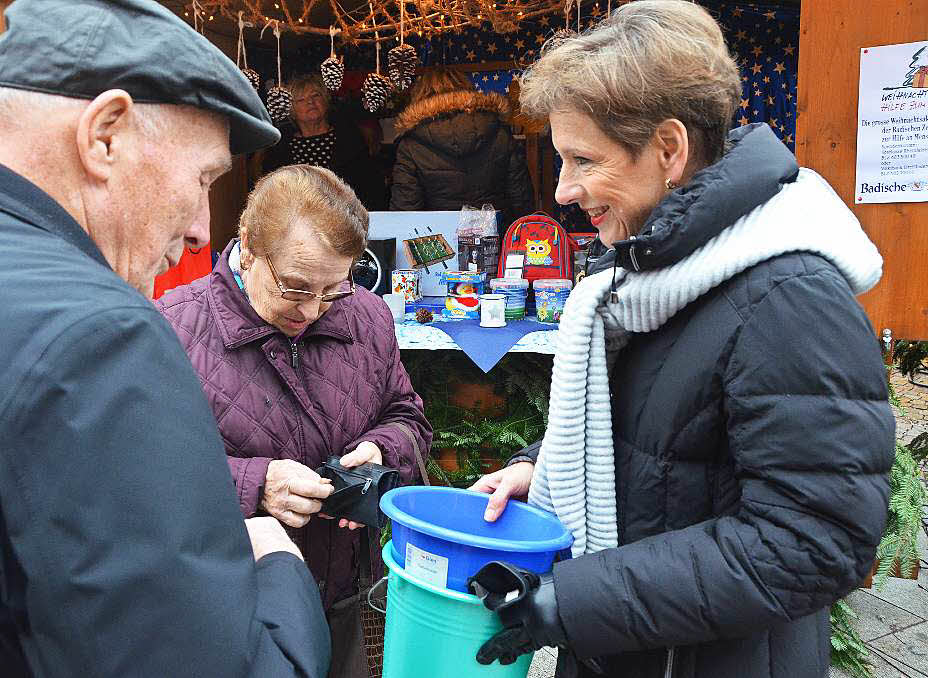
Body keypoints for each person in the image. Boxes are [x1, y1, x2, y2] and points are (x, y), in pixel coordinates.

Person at [466, 3, 895, 677]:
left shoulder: (789, 298)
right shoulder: (657, 266)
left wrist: (575, 602)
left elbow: (814, 542)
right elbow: (652, 421)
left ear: (669, 150)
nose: (564, 189)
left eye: (583, 160)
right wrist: (539, 463)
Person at [0, 1, 330, 676]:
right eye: (203, 180)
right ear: (104, 134)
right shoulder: (97, 341)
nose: (199, 229)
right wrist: (276, 561)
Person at [154, 164, 432, 666]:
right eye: (297, 288)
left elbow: (408, 417)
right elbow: (142, 475)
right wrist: (254, 484)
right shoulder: (170, 329)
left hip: (347, 594)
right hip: (233, 612)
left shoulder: (367, 314)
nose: (312, 311)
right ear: (249, 248)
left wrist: (379, 453)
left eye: (332, 289)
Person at [390, 67, 533, 232]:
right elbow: (521, 198)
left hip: (437, 246)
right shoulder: (499, 132)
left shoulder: (411, 145)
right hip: (495, 238)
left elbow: (405, 210)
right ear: (466, 88)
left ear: (420, 96)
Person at [261, 74, 383, 208]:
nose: (310, 102)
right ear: (292, 111)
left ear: (325, 101)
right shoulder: (280, 148)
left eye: (315, 96)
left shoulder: (350, 138)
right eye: (301, 100)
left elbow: (370, 185)